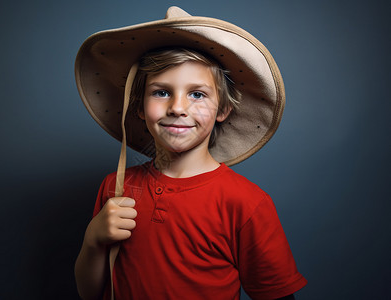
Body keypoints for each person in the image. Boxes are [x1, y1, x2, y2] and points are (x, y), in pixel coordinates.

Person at [74, 6, 307, 300]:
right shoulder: (116, 187)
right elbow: (89, 292)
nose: (178, 108)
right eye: (161, 92)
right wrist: (93, 240)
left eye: (197, 94)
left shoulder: (246, 203)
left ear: (223, 109)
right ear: (138, 107)